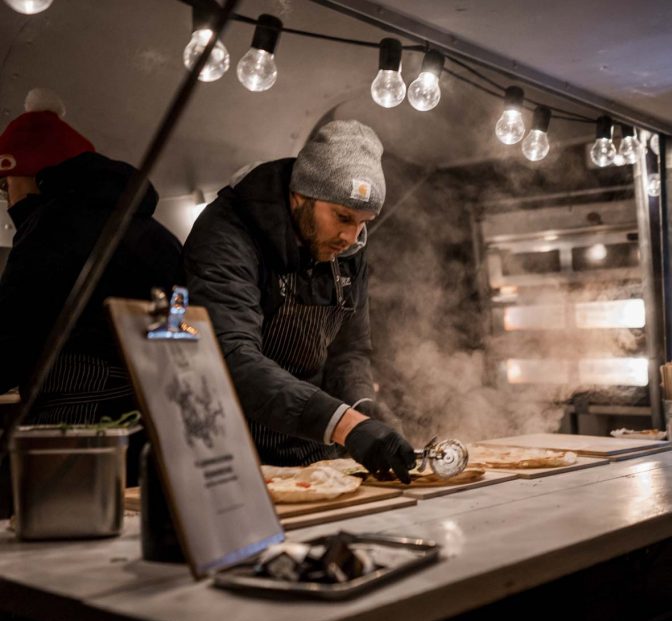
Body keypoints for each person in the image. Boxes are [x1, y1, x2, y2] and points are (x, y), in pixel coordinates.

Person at [183, 120, 415, 482]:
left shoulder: (350, 246)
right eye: (342, 217)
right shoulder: (227, 234)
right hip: (232, 455)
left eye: (363, 223)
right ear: (301, 196)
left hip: (315, 453)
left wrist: (362, 407)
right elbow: (230, 356)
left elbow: (349, 351)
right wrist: (345, 424)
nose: (350, 237)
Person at [0, 88, 181, 426]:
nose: (9, 201)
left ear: (31, 176)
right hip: (160, 411)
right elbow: (182, 324)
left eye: (6, 185)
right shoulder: (159, 234)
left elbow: (15, 328)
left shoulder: (48, 226)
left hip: (78, 414)